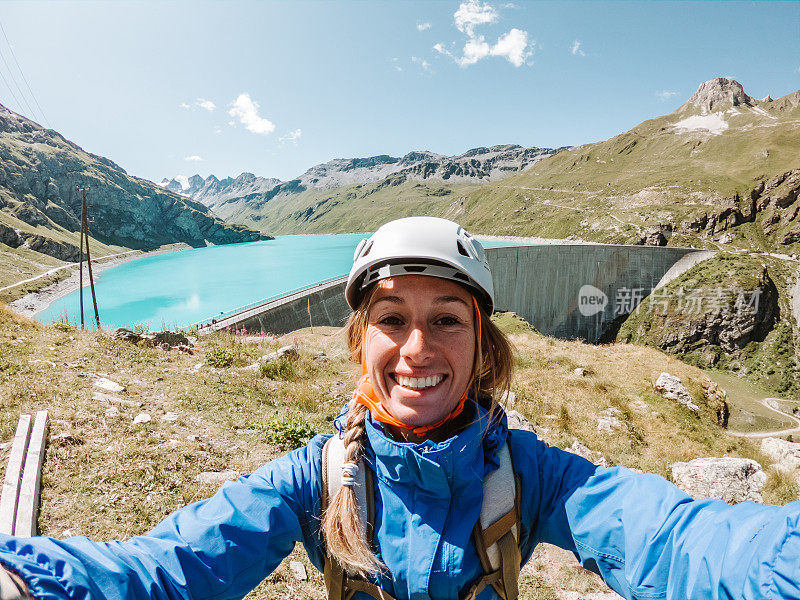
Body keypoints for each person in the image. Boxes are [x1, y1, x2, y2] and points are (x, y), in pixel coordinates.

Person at [0, 216, 799, 600]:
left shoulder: (534, 475)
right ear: (361, 343)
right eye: (392, 319)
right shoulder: (313, 479)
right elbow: (174, 566)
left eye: (446, 319)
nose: (417, 347)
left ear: (482, 345)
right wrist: (38, 583)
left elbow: (674, 539)